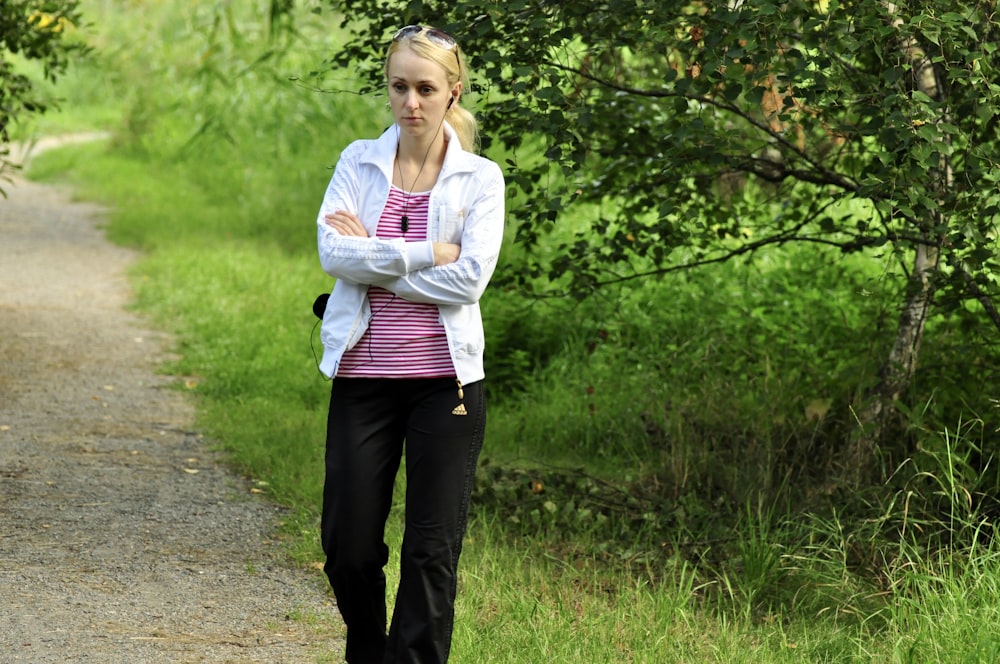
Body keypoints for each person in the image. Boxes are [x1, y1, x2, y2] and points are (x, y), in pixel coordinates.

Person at [313, 24, 505, 664]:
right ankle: (367, 653)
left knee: (431, 549)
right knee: (348, 545)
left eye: (426, 88)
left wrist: (375, 257)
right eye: (400, 87)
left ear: (453, 92)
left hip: (443, 384)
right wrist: (427, 252)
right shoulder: (357, 160)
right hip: (363, 379)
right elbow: (332, 252)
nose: (411, 102)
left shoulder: (481, 179)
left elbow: (469, 279)